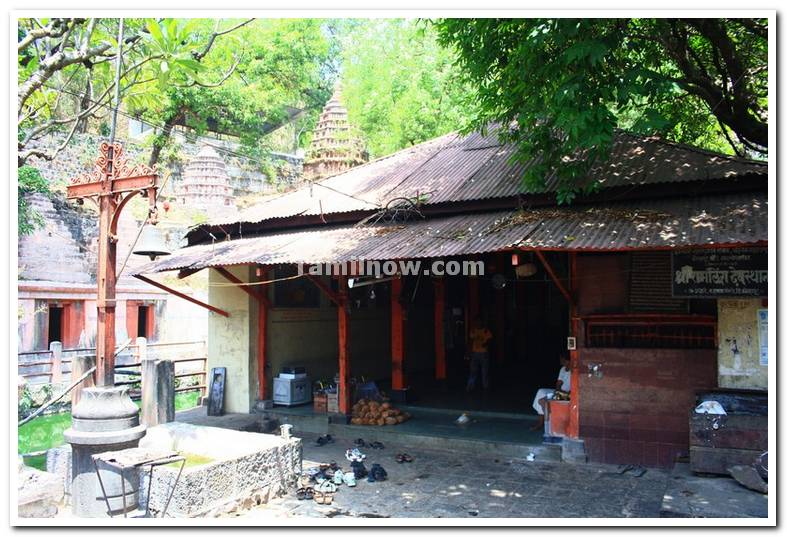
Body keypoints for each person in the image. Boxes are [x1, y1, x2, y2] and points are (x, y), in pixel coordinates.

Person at [530, 354, 571, 431]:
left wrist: (562, 393)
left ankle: (547, 425)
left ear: (568, 361)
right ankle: (541, 423)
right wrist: (558, 391)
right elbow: (558, 383)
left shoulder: (574, 371)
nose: (560, 361)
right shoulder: (563, 369)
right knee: (541, 391)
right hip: (559, 393)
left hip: (568, 395)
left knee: (542, 401)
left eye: (562, 359)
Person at [466, 317, 493, 392]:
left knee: (484, 372)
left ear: (482, 322)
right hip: (475, 354)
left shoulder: (486, 331)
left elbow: (490, 340)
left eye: (479, 321)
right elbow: (470, 341)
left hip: (484, 353)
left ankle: (485, 387)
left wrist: (486, 344)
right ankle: (470, 386)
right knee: (472, 371)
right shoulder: (473, 331)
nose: (477, 323)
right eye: (476, 321)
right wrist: (468, 352)